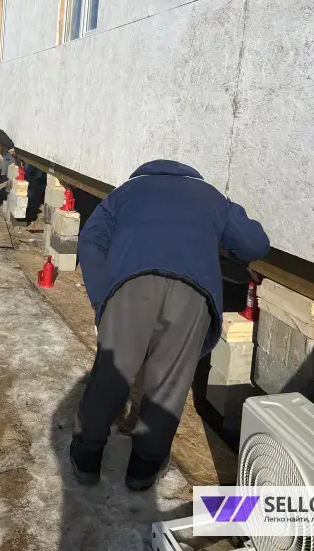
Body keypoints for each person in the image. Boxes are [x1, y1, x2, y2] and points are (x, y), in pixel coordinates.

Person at [71, 159, 270, 491]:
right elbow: (254, 244)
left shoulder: (126, 192)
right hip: (193, 293)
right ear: (192, 176)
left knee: (113, 373)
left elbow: (91, 241)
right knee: (170, 382)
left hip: (130, 286)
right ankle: (143, 469)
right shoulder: (211, 197)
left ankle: (87, 456)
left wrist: (102, 296)